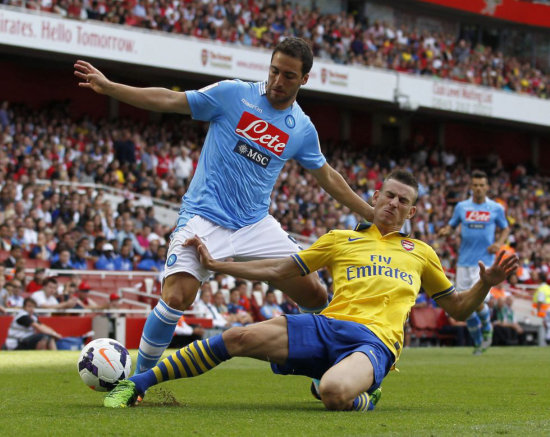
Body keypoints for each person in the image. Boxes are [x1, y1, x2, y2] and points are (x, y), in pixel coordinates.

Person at [75, 37, 374, 375]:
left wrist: (369, 213)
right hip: (204, 217)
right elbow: (170, 99)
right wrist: (111, 88)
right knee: (176, 296)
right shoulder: (234, 94)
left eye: (289, 76)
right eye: (274, 71)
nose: (278, 81)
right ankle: (138, 380)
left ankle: (324, 365)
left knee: (316, 295)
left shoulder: (302, 128)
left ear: (304, 79)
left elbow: (328, 176)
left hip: (255, 226)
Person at [102, 170, 518, 410]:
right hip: (326, 325)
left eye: (402, 200)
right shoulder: (340, 239)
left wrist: (483, 283)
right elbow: (279, 269)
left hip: (375, 342)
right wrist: (216, 265)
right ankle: (137, 385)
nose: (393, 203)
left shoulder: (422, 253)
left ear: (411, 211)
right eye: (388, 194)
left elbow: (460, 310)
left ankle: (363, 396)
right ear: (374, 197)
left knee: (334, 393)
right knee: (238, 336)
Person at [438, 170, 510, 355]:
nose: (478, 188)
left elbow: (505, 228)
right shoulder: (462, 207)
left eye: (481, 185)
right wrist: (446, 230)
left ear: (487, 187)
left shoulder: (495, 208)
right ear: (471, 187)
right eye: (475, 185)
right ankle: (479, 342)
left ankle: (486, 326)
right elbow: (452, 225)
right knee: (464, 304)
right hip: (464, 262)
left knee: (477, 302)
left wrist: (499, 243)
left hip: (485, 262)